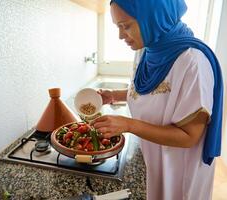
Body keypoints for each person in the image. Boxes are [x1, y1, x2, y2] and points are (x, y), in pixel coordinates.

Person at [90, 0, 224, 200]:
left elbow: (189, 136)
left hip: (179, 169)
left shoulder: (192, 63)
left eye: (125, 26)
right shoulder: (147, 49)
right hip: (153, 156)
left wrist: (128, 124)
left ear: (152, 17)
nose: (120, 36)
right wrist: (115, 96)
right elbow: (155, 92)